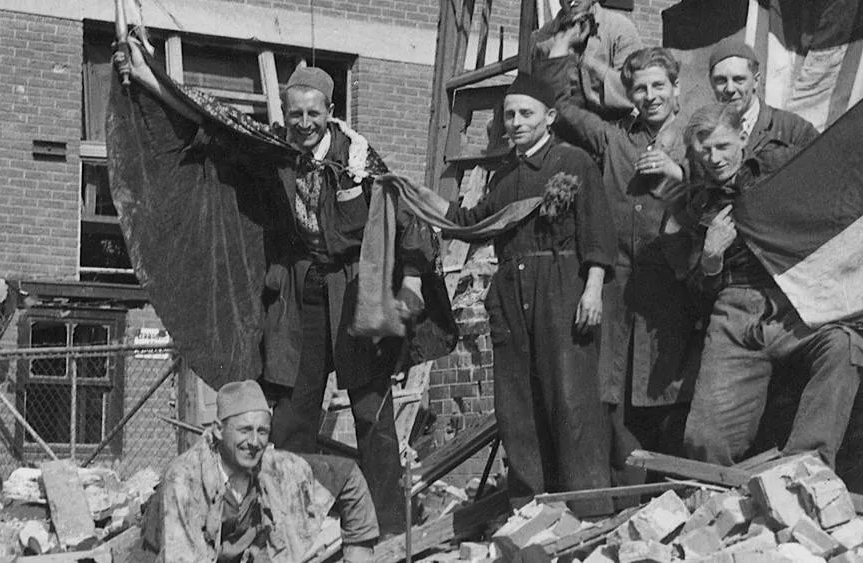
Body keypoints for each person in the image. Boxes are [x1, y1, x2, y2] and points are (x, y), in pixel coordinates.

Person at [260, 66, 455, 535]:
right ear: (284, 115)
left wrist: (409, 281)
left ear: (330, 113)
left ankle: (387, 525)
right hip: (301, 294)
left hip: (355, 293)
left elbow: (406, 218)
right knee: (293, 412)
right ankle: (292, 520)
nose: (303, 123)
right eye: (295, 114)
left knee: (371, 410)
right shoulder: (277, 152)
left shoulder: (358, 157)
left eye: (313, 113)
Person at [421, 73, 616, 513]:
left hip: (562, 288)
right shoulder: (504, 175)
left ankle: (586, 509)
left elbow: (597, 231)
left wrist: (594, 289)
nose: (515, 121)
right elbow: (470, 222)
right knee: (517, 404)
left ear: (548, 117)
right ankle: (530, 506)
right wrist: (420, 198)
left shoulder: (575, 162)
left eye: (525, 113)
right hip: (510, 292)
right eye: (509, 114)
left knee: (570, 398)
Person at [664, 102, 861, 467]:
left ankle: (805, 467)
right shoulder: (695, 204)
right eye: (704, 151)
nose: (715, 158)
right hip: (737, 315)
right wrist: (710, 259)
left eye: (723, 146)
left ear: (742, 137)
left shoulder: (781, 167)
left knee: (844, 346)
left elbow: (838, 175)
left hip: (798, 305)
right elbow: (694, 294)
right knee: (705, 441)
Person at [537, 33, 700, 462]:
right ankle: (625, 496)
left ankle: (671, 492)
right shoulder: (614, 139)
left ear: (675, 88)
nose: (650, 97)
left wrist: (679, 172)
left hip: (674, 288)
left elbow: (728, 187)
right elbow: (560, 108)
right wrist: (561, 50)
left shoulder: (697, 136)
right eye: (641, 89)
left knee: (669, 391)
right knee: (614, 389)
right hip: (617, 289)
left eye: (658, 86)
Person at [149, 380, 379, 562]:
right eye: (244, 430)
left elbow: (346, 475)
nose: (254, 441)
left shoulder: (271, 466)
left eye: (262, 431)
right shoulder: (185, 480)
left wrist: (359, 548)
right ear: (219, 430)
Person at [707, 37, 818, 156]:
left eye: (738, 79)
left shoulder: (793, 129)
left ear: (756, 81)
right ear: (712, 83)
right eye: (721, 80)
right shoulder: (705, 132)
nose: (730, 89)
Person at [533, 0, 643, 119]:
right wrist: (563, 42)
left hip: (612, 125)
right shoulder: (545, 35)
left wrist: (584, 61)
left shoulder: (620, 29)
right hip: (560, 124)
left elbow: (632, 92)